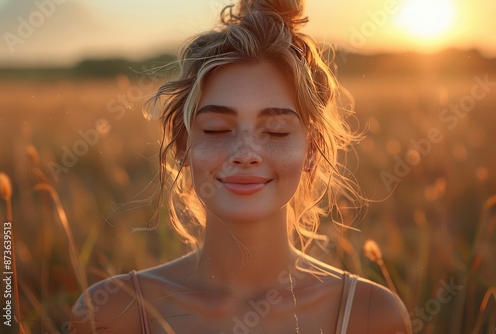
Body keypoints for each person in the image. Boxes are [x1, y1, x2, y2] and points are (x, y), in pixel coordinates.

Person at [71, 0, 412, 333]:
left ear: (312, 149)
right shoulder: (113, 312)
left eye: (276, 132)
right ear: (181, 146)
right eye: (217, 129)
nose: (245, 153)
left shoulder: (369, 315)